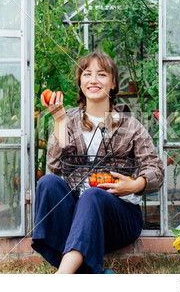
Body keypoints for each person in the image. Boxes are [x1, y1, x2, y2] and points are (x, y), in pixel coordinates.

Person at [31, 51, 164, 274]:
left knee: (93, 194)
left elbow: (156, 169)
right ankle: (92, 275)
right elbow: (54, 168)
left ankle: (62, 277)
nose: (93, 80)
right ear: (80, 83)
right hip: (77, 219)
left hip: (118, 217)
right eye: (87, 74)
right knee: (48, 183)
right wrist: (60, 120)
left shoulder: (130, 125)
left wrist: (135, 185)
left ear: (113, 83)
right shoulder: (69, 121)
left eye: (101, 74)